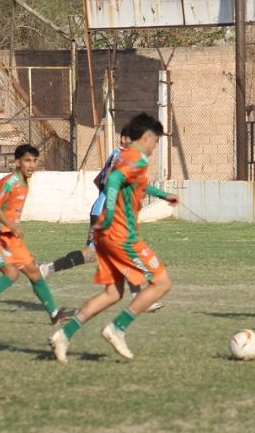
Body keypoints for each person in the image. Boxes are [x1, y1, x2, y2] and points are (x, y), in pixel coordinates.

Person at [49, 113, 178, 364]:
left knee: (112, 293)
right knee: (162, 283)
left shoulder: (125, 155)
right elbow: (114, 181)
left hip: (106, 237)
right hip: (121, 235)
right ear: (147, 137)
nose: (155, 146)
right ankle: (117, 328)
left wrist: (163, 195)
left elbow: (132, 184)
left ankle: (63, 335)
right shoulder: (136, 159)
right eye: (156, 141)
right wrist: (108, 215)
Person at [39, 127, 165, 313]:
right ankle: (139, 299)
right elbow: (107, 180)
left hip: (103, 210)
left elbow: (99, 181)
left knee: (92, 254)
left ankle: (47, 268)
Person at [0, 144, 74, 327]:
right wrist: (12, 225)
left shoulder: (25, 182)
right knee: (11, 274)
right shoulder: (9, 182)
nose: (32, 165)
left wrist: (12, 228)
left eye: (34, 161)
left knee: (34, 272)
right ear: (17, 162)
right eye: (27, 160)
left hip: (10, 237)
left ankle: (55, 315)